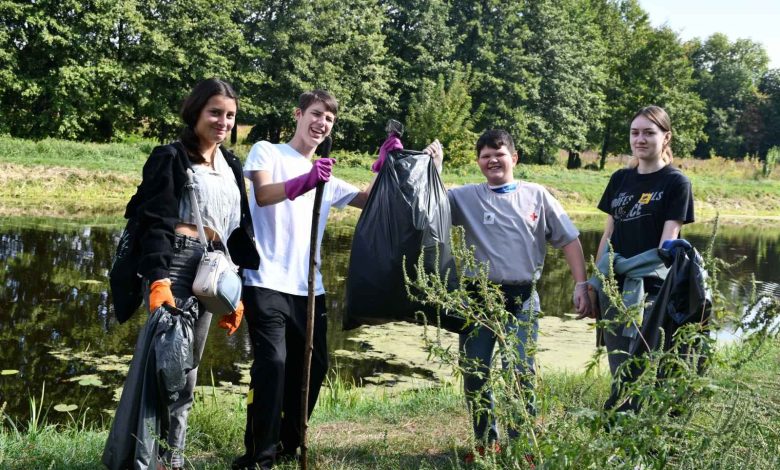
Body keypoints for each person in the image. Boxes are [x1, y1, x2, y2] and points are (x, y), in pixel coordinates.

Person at [105, 79, 259, 469]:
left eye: (230, 115)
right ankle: (144, 460)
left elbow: (236, 229)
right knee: (165, 370)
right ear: (195, 113)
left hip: (212, 272)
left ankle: (171, 460)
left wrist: (234, 292)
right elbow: (154, 222)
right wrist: (157, 279)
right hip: (172, 266)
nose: (223, 122)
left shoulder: (231, 165)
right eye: (215, 113)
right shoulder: (170, 157)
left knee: (188, 371)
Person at [233, 90, 375, 470]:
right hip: (264, 279)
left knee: (314, 368)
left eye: (328, 119)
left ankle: (286, 443)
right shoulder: (268, 151)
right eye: (316, 114)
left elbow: (369, 200)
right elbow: (262, 195)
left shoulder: (327, 175)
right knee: (273, 364)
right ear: (298, 114)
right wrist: (305, 181)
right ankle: (257, 456)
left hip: (309, 289)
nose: (321, 123)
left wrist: (387, 165)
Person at [431, 129, 590, 460]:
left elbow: (569, 240)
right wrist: (435, 168)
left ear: (514, 158)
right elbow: (428, 206)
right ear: (478, 162)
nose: (492, 160)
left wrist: (580, 284)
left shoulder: (537, 195)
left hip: (522, 299)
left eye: (499, 154)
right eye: (485, 155)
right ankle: (486, 443)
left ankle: (523, 447)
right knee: (475, 374)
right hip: (478, 299)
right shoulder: (464, 197)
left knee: (519, 374)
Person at [585, 105, 694, 412]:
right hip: (613, 285)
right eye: (635, 132)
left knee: (648, 364)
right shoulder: (620, 178)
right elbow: (608, 236)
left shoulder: (676, 182)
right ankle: (620, 425)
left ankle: (646, 429)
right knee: (618, 363)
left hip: (651, 288)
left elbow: (669, 239)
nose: (641, 139)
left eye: (649, 132)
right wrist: (595, 284)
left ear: (666, 137)